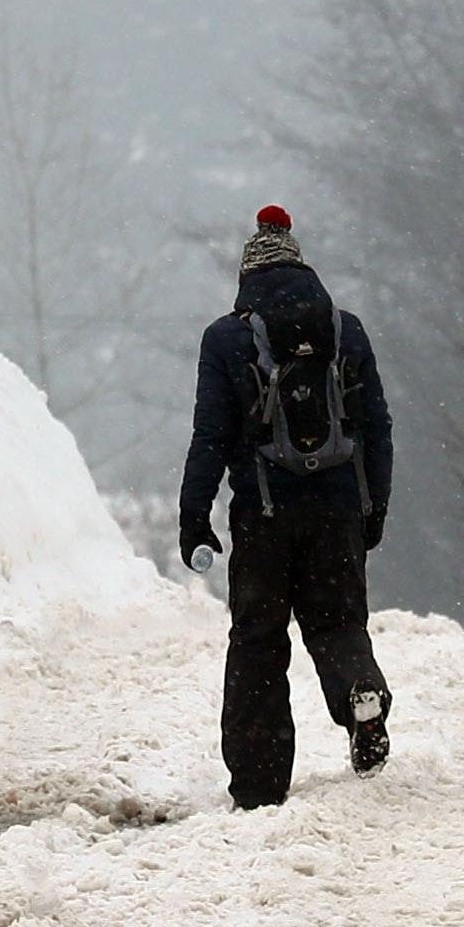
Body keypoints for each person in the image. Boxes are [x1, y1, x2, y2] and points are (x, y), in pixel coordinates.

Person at [179, 205, 394, 809]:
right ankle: (360, 692)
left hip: (264, 519)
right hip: (337, 513)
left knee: (258, 641)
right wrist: (372, 506)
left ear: (247, 276)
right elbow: (376, 426)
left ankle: (259, 782)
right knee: (337, 622)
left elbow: (211, 436)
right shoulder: (346, 330)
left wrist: (194, 515)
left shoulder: (226, 338)